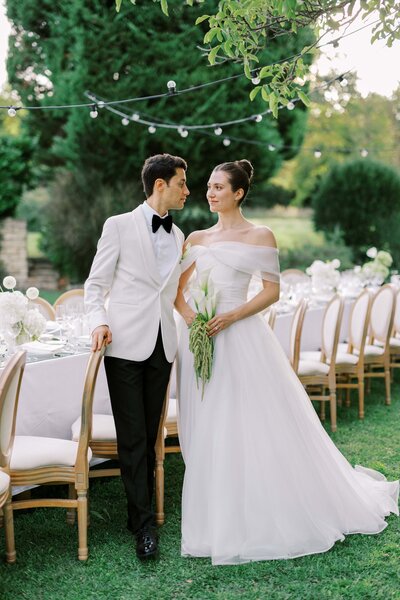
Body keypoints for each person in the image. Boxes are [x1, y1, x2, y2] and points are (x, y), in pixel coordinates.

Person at [174, 159, 399, 566]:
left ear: (239, 193)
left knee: (253, 419)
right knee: (211, 422)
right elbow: (177, 293)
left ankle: (266, 506)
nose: (210, 193)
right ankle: (217, 513)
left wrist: (231, 316)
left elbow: (271, 291)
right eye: (208, 186)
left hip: (242, 336)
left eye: (219, 187)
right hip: (203, 341)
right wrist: (195, 322)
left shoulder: (261, 234)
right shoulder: (197, 238)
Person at [84, 153, 189, 560]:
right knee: (132, 438)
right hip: (124, 346)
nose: (187, 190)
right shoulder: (118, 226)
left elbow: (174, 294)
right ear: (160, 184)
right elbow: (95, 285)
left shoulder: (179, 236)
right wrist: (97, 321)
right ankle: (144, 527)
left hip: (163, 347)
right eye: (181, 182)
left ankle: (137, 514)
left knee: (148, 435)